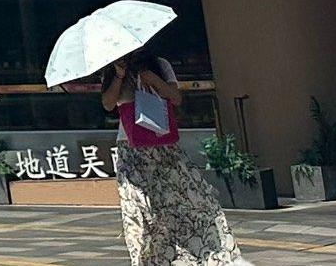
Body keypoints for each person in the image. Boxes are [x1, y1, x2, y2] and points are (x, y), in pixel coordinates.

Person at [99, 50, 247, 266]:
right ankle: (148, 260)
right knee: (140, 211)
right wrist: (120, 75)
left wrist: (151, 78)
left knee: (188, 202)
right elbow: (108, 104)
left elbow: (176, 98)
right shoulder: (113, 71)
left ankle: (207, 253)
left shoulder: (160, 64)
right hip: (131, 150)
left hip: (164, 147)